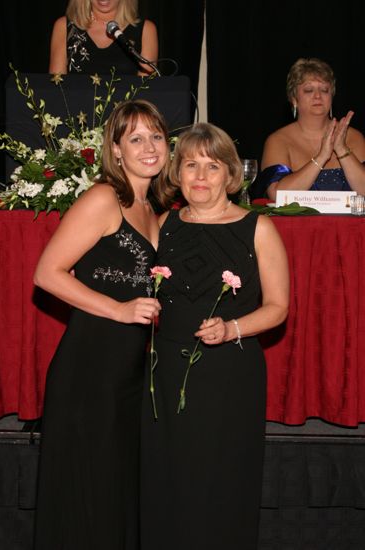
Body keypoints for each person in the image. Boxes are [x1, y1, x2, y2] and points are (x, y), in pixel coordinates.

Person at [141, 123, 289, 550]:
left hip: (230, 373)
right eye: (190, 165)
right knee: (167, 475)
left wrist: (231, 329)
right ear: (177, 173)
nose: (200, 176)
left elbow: (279, 308)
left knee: (221, 477)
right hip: (166, 373)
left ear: (230, 174)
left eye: (212, 166)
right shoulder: (164, 223)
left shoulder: (257, 228)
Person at [33, 99, 169, 550]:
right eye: (135, 138)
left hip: (128, 373)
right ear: (116, 150)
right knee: (86, 496)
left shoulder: (152, 209)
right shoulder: (103, 198)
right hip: (89, 369)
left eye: (156, 136)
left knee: (114, 493)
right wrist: (120, 309)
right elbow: (47, 274)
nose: (149, 147)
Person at [256, 57, 365, 201]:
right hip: (296, 224)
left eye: (324, 90)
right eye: (308, 90)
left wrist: (342, 150)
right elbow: (278, 196)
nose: (318, 96)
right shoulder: (278, 141)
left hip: (350, 223)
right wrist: (321, 157)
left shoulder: (353, 137)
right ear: (294, 99)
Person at [49, 0, 158, 75]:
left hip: (126, 108)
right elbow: (56, 86)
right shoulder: (64, 26)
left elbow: (145, 92)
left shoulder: (146, 29)